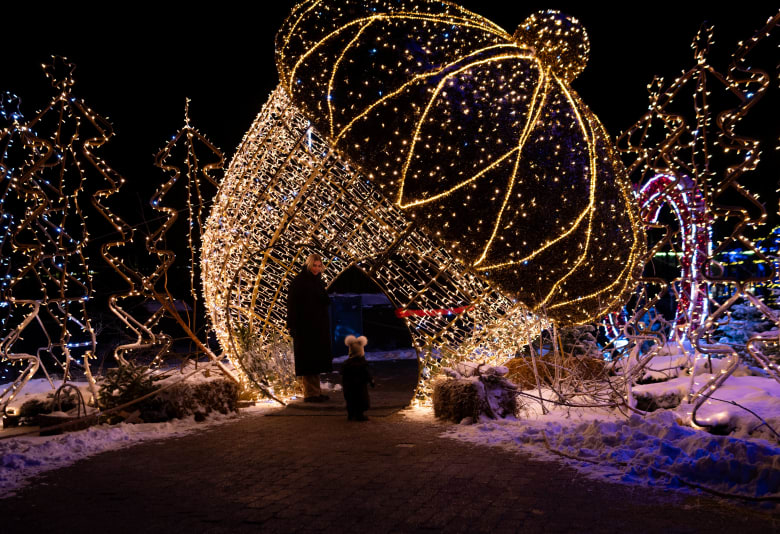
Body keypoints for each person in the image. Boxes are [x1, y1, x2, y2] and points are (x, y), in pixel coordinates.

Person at [286, 253, 333, 402]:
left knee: (315, 359)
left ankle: (316, 391)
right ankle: (310, 393)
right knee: (308, 360)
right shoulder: (300, 281)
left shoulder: (316, 281)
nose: (316, 269)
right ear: (308, 265)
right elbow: (292, 304)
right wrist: (292, 325)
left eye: (319, 266)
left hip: (316, 326)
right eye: (314, 265)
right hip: (305, 327)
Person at [341, 335, 374, 421]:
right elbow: (367, 373)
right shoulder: (363, 364)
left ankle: (351, 414)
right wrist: (371, 381)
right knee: (361, 400)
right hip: (360, 387)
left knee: (350, 400)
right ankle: (359, 415)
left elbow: (342, 373)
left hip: (348, 387)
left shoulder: (346, 364)